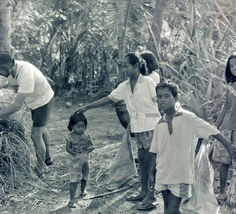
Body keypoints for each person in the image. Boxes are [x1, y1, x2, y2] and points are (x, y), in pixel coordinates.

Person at [77, 52, 161, 210]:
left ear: (136, 66)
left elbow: (160, 101)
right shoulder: (125, 86)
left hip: (151, 127)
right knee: (142, 163)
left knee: (150, 164)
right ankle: (143, 192)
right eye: (122, 66)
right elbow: (109, 98)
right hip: (138, 128)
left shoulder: (148, 82)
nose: (123, 69)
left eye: (126, 66)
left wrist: (168, 118)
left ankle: (151, 196)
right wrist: (87, 107)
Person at [148, 81, 236, 214]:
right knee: (170, 209)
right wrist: (151, 173)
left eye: (166, 96)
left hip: (181, 175)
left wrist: (228, 145)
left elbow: (210, 129)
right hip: (163, 173)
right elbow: (155, 151)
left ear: (176, 98)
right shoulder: (160, 124)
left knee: (170, 212)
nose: (162, 100)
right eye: (159, 97)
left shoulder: (188, 119)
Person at [0, 51, 54, 177]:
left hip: (43, 100)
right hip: (33, 100)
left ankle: (41, 170)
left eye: (2, 69)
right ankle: (47, 158)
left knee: (35, 135)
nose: (0, 72)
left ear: (12, 63)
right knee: (41, 128)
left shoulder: (25, 73)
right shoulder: (4, 72)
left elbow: (17, 106)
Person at [213, 53, 236, 201]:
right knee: (225, 163)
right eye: (231, 66)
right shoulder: (230, 87)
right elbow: (224, 108)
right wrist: (214, 128)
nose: (234, 68)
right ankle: (222, 192)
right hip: (227, 128)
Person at [65, 112, 94, 208]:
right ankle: (71, 200)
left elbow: (92, 146)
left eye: (83, 126)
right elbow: (68, 148)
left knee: (84, 176)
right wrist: (75, 153)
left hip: (85, 160)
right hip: (75, 162)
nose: (81, 129)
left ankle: (82, 191)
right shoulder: (70, 136)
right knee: (74, 180)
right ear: (72, 126)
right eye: (78, 126)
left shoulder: (86, 135)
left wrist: (87, 150)